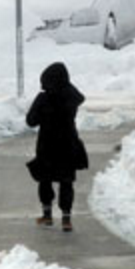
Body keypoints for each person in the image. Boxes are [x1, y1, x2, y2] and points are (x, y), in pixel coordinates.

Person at [25, 62, 87, 232]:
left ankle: (47, 215)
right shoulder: (71, 97)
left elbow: (31, 121)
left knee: (45, 179)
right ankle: (67, 219)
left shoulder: (44, 98)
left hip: (48, 145)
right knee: (66, 181)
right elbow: (79, 97)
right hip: (68, 144)